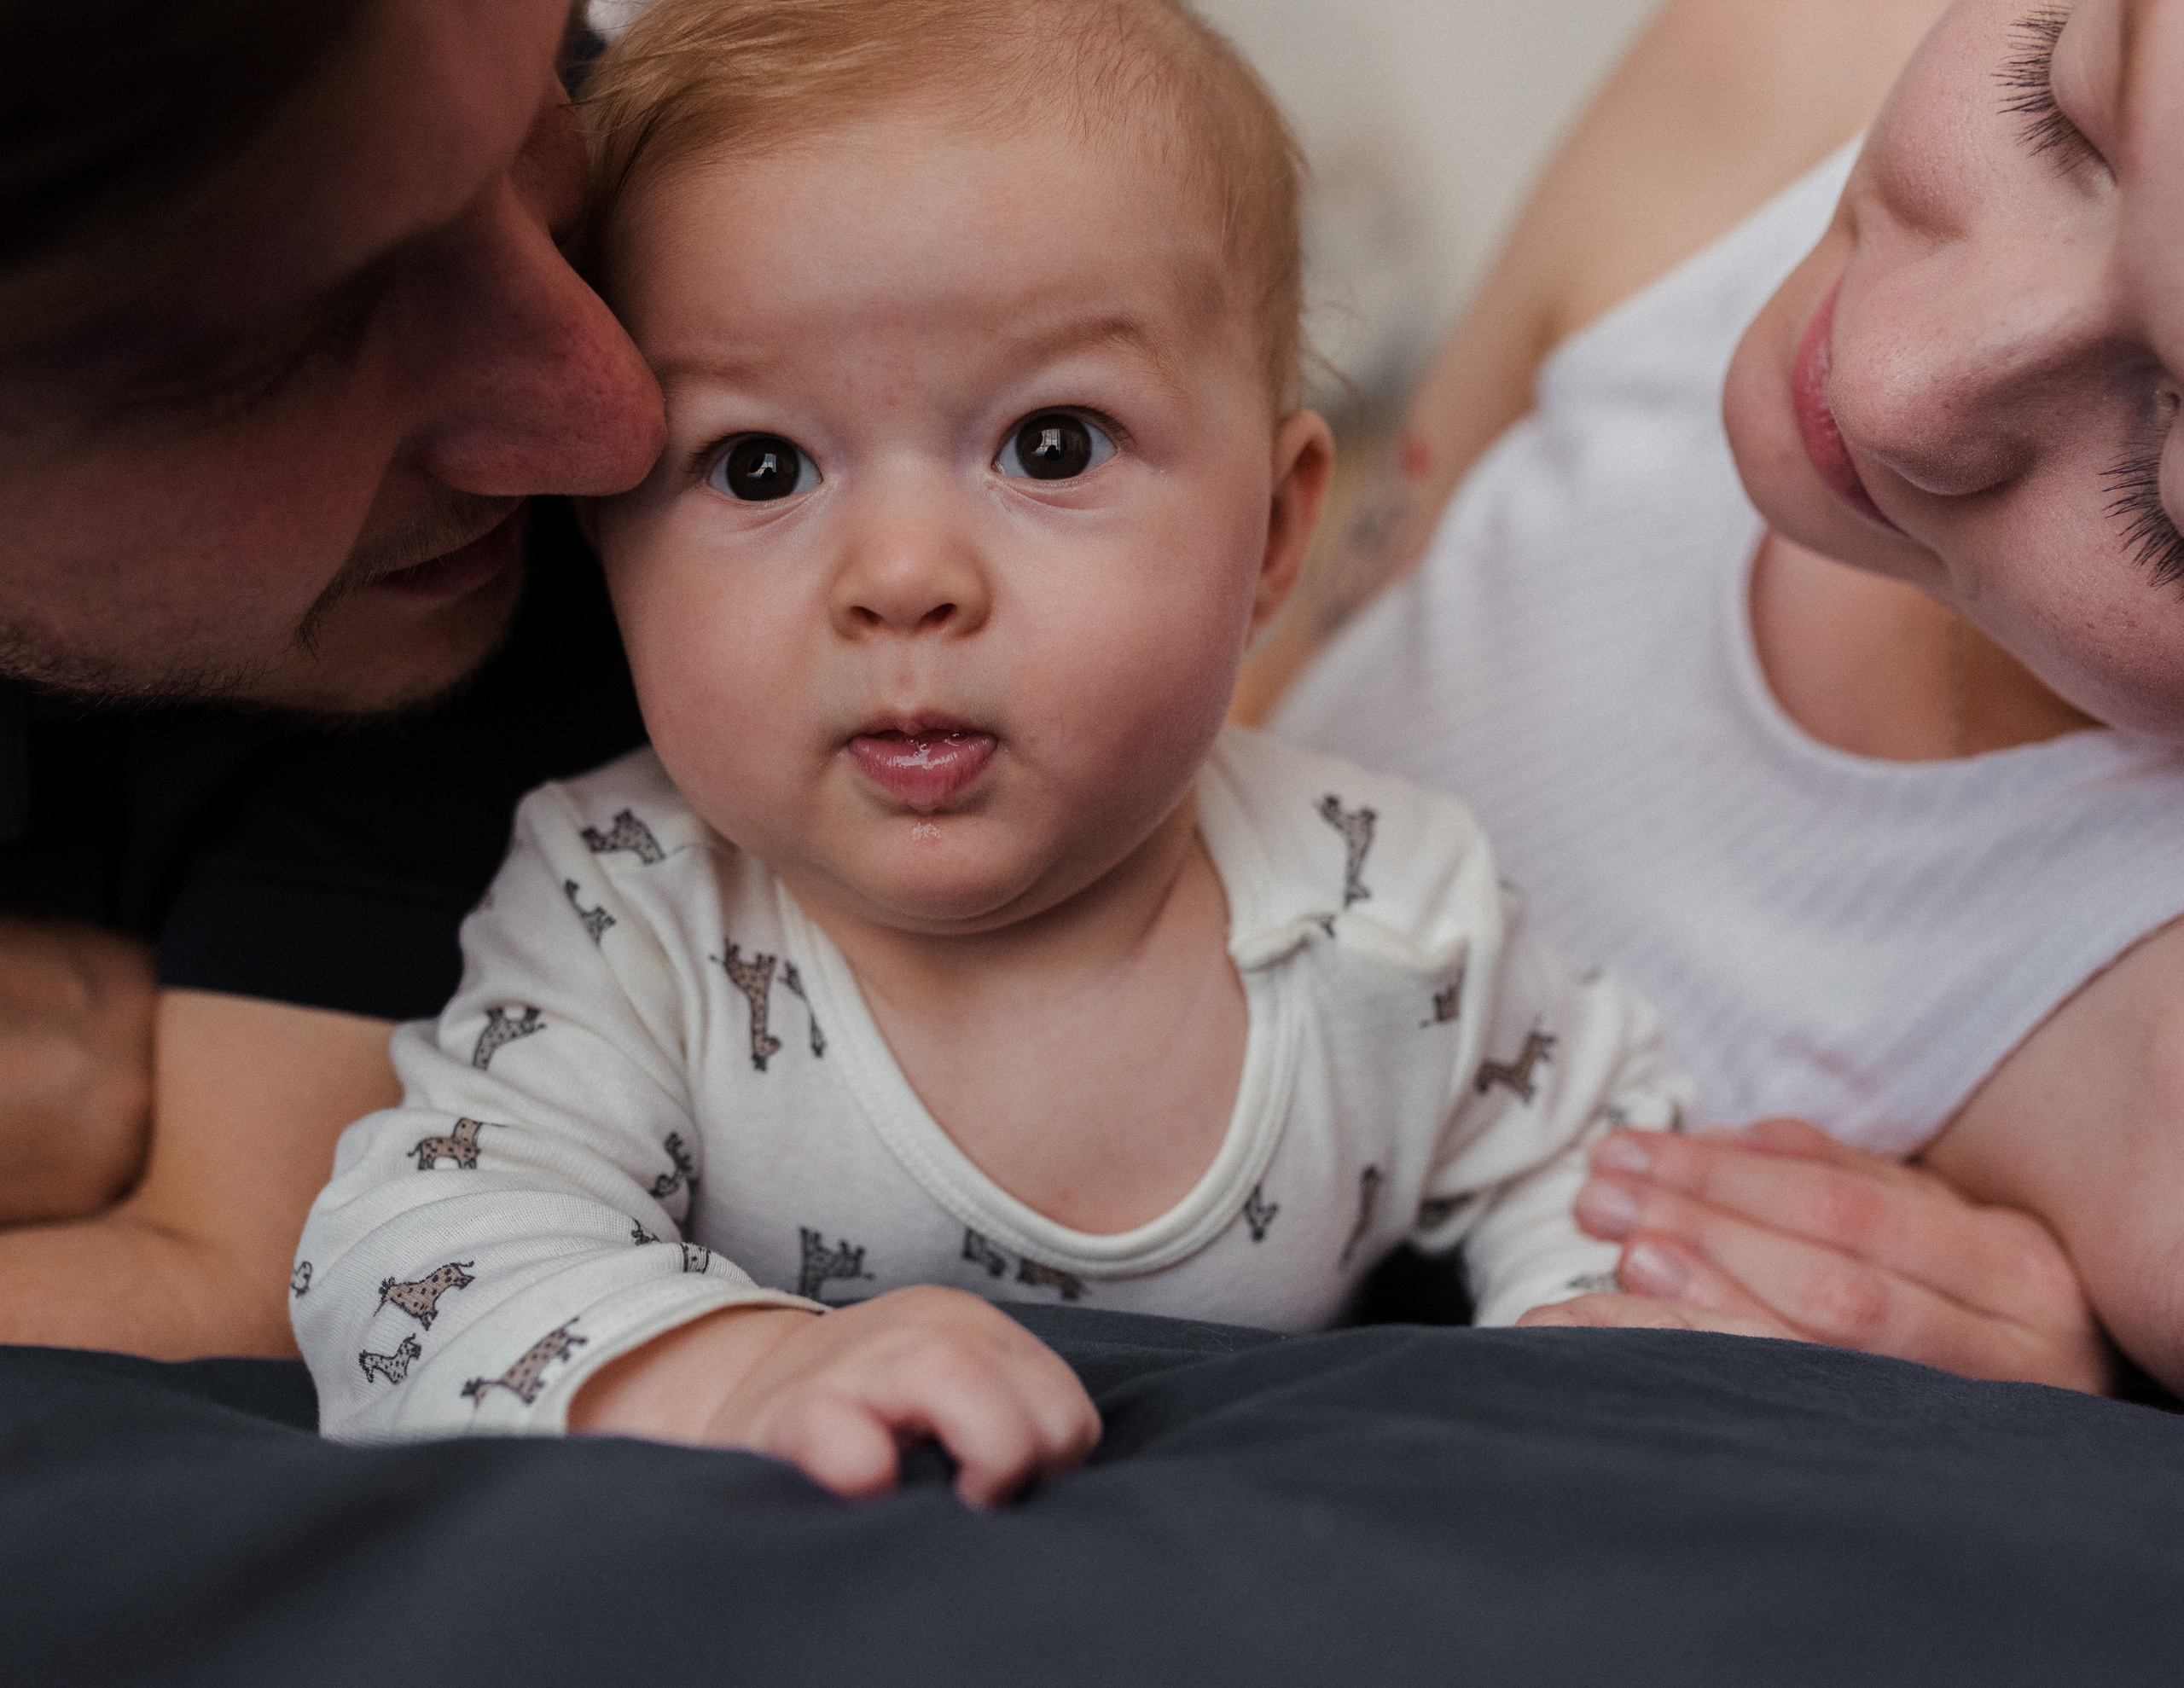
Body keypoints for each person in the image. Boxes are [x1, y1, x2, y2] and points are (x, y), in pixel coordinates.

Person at [293, 0, 1693, 1505]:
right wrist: (737, 1372)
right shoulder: (626, 914)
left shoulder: (1392, 911)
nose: (903, 575)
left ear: (1273, 532)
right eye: (759, 466)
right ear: (609, 551)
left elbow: (1610, 1157)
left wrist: (1577, 1334)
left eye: (1052, 445)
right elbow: (408, 1262)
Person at [1263, 0, 2184, 1397]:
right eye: (2059, 103)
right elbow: (1269, 680)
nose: (1885, 383)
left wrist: (2085, 1420)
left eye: (2170, 498)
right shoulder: (1780, 64)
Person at [0, 0, 660, 1355]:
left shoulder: (530, 570)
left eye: (543, 108)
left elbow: (239, 1281)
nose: (619, 421)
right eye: (306, 340)